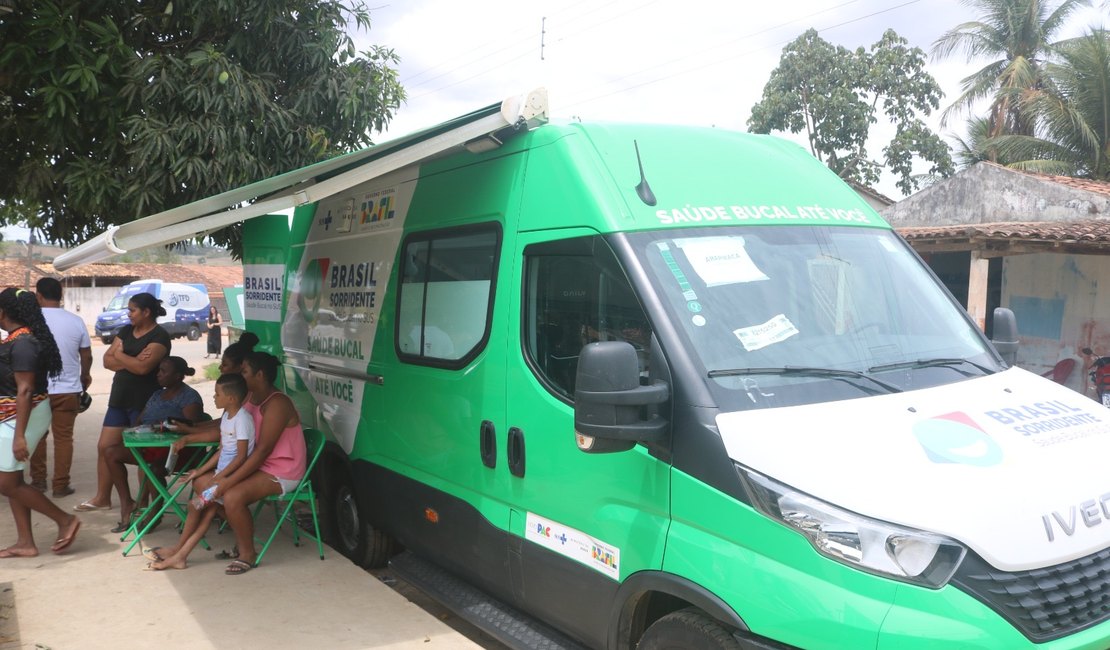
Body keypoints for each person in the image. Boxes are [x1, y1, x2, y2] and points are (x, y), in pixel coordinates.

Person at [151, 349, 304, 574]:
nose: (241, 375)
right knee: (202, 483)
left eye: (245, 371)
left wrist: (226, 481)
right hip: (254, 464)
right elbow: (225, 431)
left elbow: (262, 452)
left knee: (231, 495)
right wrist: (189, 434)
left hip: (281, 470)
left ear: (260, 375)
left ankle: (247, 552)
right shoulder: (249, 398)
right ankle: (183, 550)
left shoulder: (277, 404)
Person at [0, 288, 81, 558]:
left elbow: (25, 390)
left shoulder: (23, 343)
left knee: (6, 483)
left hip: (22, 417)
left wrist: (19, 436)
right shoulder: (16, 339)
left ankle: (65, 520)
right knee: (14, 479)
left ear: (3, 311)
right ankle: (25, 542)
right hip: (13, 416)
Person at [146, 373, 254, 570]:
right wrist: (200, 470)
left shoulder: (242, 420)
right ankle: (180, 554)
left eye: (217, 394)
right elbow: (222, 451)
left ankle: (179, 554)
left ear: (231, 398)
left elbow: (241, 457)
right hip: (222, 476)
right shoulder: (227, 417)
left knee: (197, 506)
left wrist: (219, 478)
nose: (214, 397)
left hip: (231, 478)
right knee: (202, 509)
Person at [74, 292, 170, 512]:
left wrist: (120, 355)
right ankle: (102, 498)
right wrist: (131, 360)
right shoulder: (126, 331)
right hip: (119, 398)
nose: (129, 314)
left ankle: (143, 503)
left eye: (132, 310)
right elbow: (107, 360)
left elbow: (143, 368)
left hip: (144, 402)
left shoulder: (160, 336)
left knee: (142, 452)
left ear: (146, 312)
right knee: (105, 447)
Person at [103, 356, 203, 532]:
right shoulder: (157, 395)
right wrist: (138, 431)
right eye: (159, 370)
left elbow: (191, 428)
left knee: (153, 467)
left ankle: (155, 510)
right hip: (148, 446)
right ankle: (127, 503)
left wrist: (163, 428)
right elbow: (139, 421)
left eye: (164, 371)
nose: (158, 374)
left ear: (178, 376)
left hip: (176, 451)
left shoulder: (189, 397)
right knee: (111, 453)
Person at [30, 277, 92, 497]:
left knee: (38, 436)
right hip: (68, 390)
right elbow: (86, 355)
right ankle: (60, 485)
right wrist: (85, 375)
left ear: (38, 295)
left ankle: (38, 482)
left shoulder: (31, 322)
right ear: (61, 295)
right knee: (64, 438)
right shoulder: (76, 321)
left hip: (37, 390)